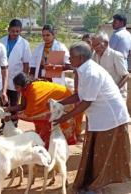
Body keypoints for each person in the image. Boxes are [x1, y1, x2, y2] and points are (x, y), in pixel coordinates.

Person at [54, 42, 131, 194]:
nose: (69, 59)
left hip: (110, 118)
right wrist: (58, 103)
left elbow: (86, 102)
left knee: (104, 154)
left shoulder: (90, 72)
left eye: (72, 57)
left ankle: (100, 185)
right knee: (95, 151)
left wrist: (65, 117)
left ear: (81, 57)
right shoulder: (83, 70)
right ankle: (94, 182)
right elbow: (79, 96)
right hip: (99, 118)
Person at [4, 72, 79, 148]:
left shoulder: (33, 90)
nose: (15, 89)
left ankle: (57, 142)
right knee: (43, 119)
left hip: (65, 98)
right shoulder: (26, 89)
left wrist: (11, 117)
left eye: (17, 87)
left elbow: (29, 114)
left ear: (23, 85)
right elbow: (23, 106)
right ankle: (45, 140)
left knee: (50, 119)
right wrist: (9, 109)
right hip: (54, 100)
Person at [0, 19, 31, 131]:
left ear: (20, 31)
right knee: (3, 102)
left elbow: (26, 63)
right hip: (2, 77)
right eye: (13, 31)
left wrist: (24, 80)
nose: (15, 33)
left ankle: (14, 124)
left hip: (16, 79)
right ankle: (4, 124)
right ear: (8, 30)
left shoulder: (24, 44)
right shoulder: (1, 41)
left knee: (14, 102)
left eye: (17, 31)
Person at [92, 31, 129, 101]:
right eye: (93, 46)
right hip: (102, 94)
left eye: (97, 45)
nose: (95, 48)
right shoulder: (94, 55)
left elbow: (126, 76)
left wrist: (115, 89)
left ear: (105, 43)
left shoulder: (116, 55)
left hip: (117, 95)